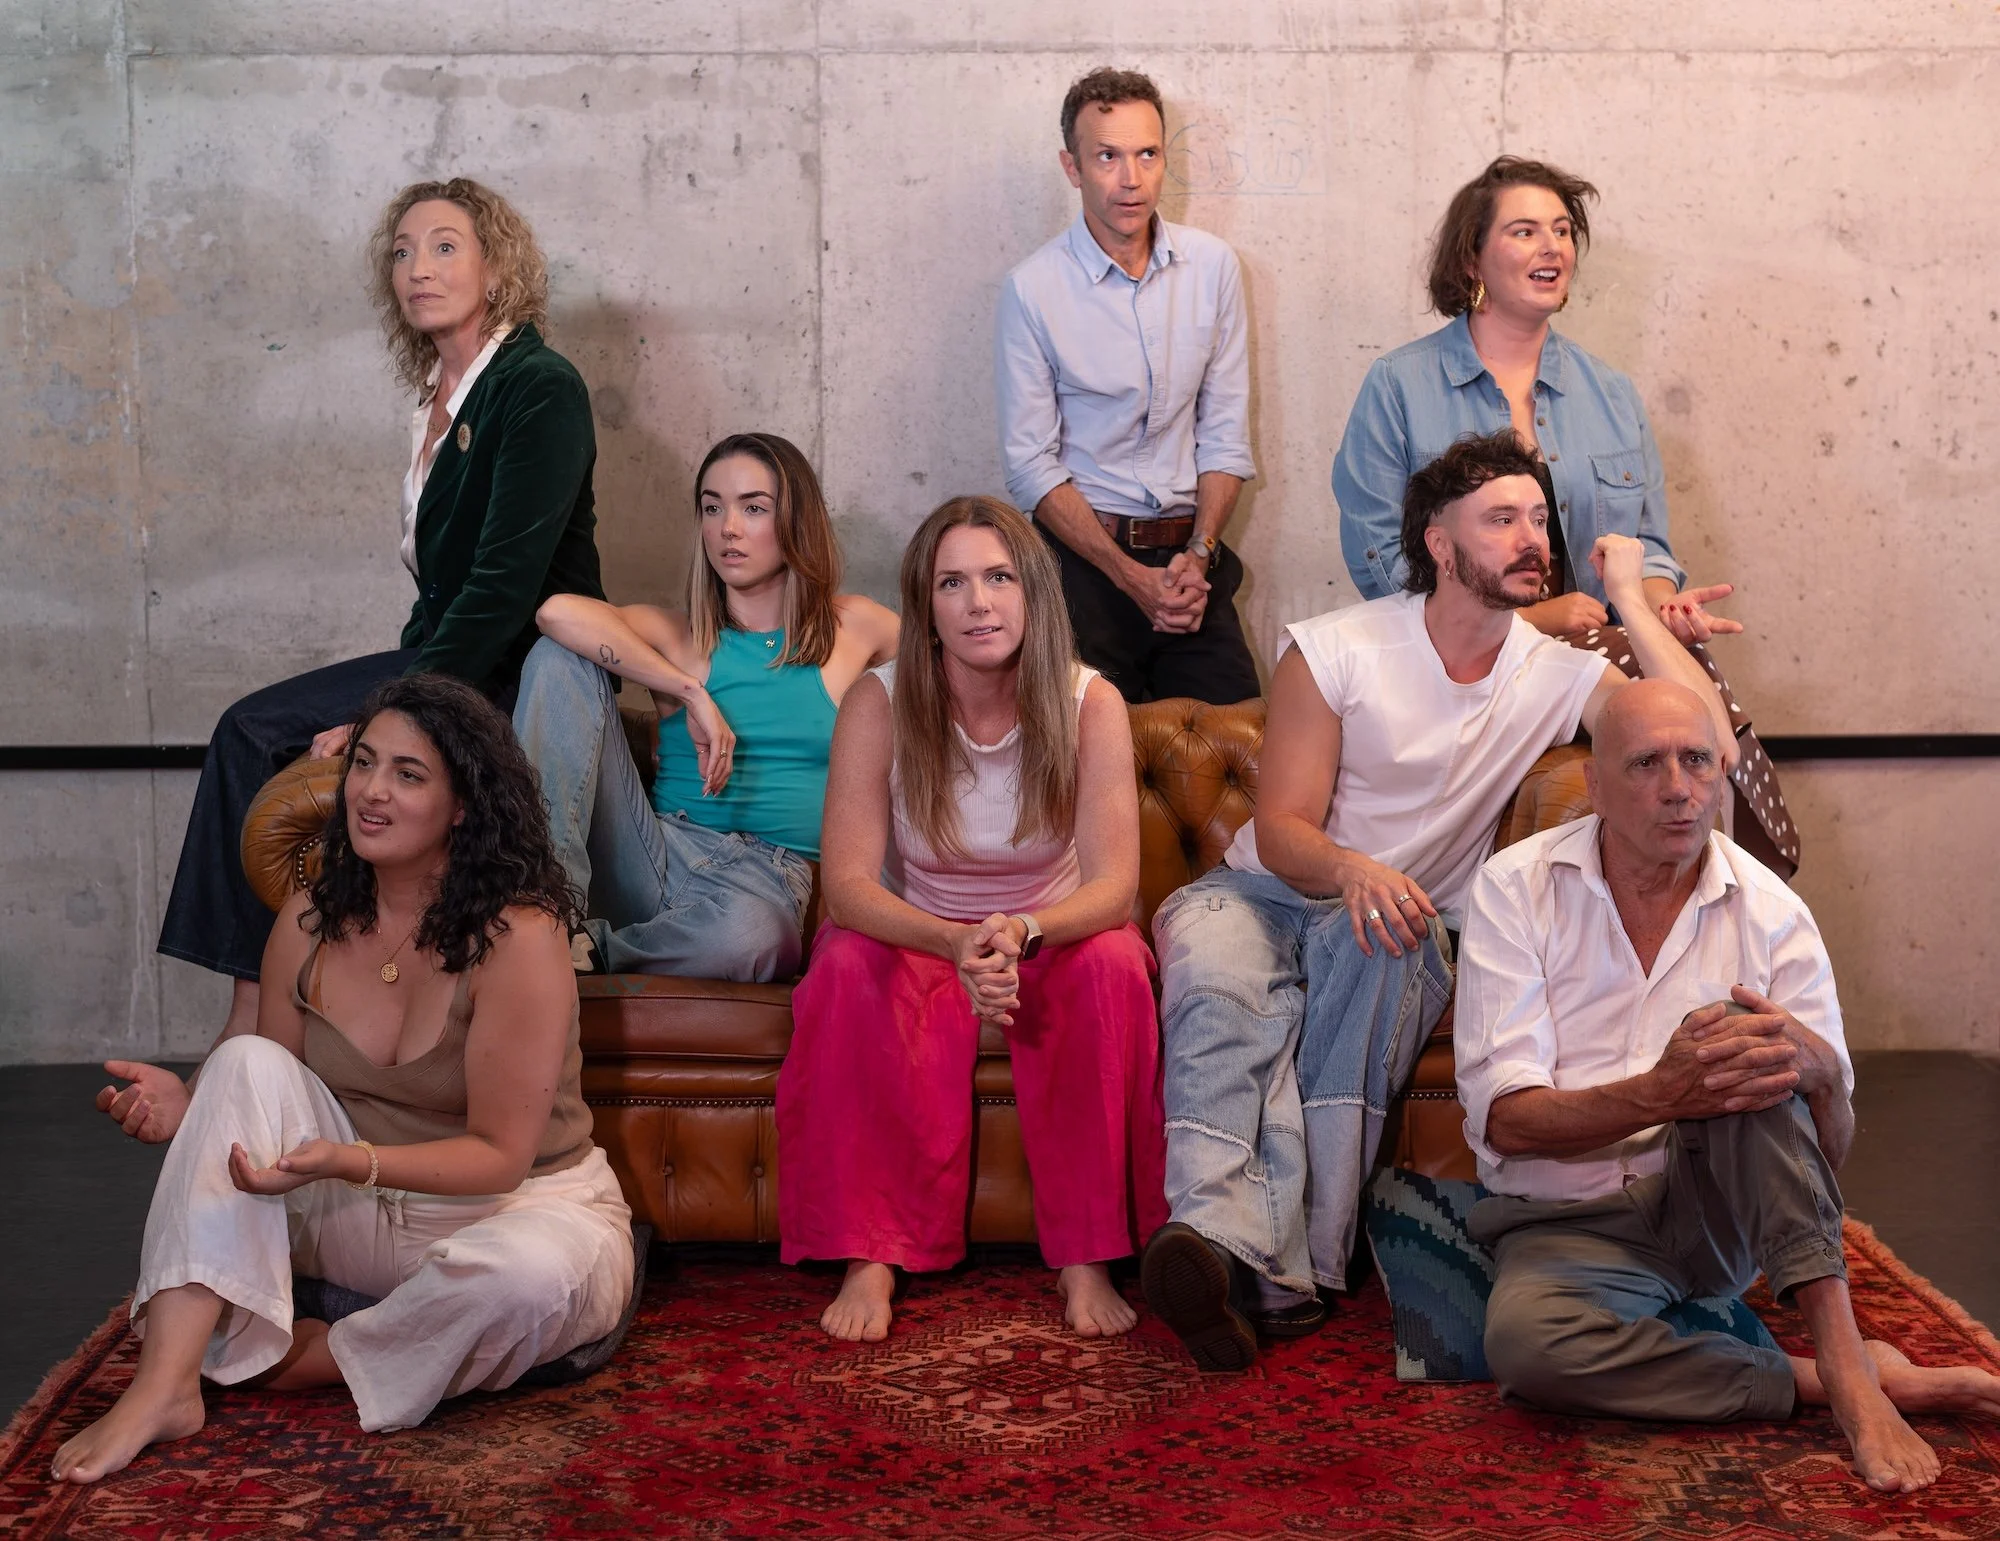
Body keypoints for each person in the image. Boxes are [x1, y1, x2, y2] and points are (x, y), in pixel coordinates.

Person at [1140, 431, 1739, 1373]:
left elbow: (1710, 745)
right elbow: (1286, 827)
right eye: (1500, 519)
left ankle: (1261, 1258)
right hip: (1261, 893)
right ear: (1437, 542)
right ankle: (1245, 1254)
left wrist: (1629, 595)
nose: (1529, 538)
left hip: (1395, 924)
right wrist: (1354, 870)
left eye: (1538, 519)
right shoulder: (1339, 647)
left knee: (1392, 942)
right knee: (1221, 990)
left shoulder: (1559, 671)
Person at [60, 676, 634, 1484]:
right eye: (363, 762)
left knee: (531, 1282)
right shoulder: (307, 918)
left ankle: (320, 1354)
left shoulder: (519, 935)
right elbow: (262, 1081)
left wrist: (347, 1160)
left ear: (462, 804)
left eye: (407, 774)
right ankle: (165, 1386)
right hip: (352, 1208)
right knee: (241, 1062)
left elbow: (501, 1156)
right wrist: (193, 1110)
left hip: (508, 1208)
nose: (370, 790)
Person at [1454, 678, 2000, 1494]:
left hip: (1715, 1218)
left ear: (1720, 773)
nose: (1678, 786)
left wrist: (1818, 1075)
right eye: (1646, 763)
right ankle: (1827, 1376)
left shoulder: (1773, 911)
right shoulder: (1514, 889)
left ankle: (1851, 1377)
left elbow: (1828, 1153)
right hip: (1565, 1221)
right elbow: (1508, 1123)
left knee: (1747, 1049)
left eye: (1698, 761)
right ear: (1595, 786)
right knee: (1528, 1347)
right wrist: (1664, 1091)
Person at [157, 177, 605, 1049]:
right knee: (251, 731)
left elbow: (502, 590)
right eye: (402, 252)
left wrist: (384, 713)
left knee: (255, 734)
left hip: (522, 666)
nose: (417, 269)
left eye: (444, 247)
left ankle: (255, 1021)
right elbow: (432, 602)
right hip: (449, 657)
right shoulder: (435, 404)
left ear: (496, 264)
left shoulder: (538, 386)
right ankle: (268, 1009)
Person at [1331, 156, 1797, 877]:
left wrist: (1661, 607)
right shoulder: (1399, 385)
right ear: (1472, 256)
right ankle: (1735, 880)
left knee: (1684, 718)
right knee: (1682, 723)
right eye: (1525, 231)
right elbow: (1382, 570)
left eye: (1561, 230)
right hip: (1458, 665)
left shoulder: (1609, 391)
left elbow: (1650, 551)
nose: (1552, 247)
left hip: (1596, 650)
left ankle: (1711, 920)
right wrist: (1529, 625)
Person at [777, 496, 1168, 1343]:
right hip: (924, 933)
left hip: (1053, 933)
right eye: (952, 583)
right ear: (925, 606)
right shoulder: (879, 702)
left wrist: (1022, 932)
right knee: (844, 964)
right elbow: (845, 887)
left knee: (1112, 963)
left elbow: (1114, 886)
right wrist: (954, 942)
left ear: (1032, 592)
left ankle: (1086, 1254)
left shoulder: (1088, 701)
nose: (978, 602)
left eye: (997, 578)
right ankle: (870, 1252)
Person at [511, 432, 898, 980]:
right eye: (712, 507)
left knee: (753, 938)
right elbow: (555, 613)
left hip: (765, 881)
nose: (728, 529)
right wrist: (691, 691)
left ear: (796, 520)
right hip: (654, 855)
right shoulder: (678, 635)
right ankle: (542, 912)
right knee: (559, 657)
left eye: (753, 508)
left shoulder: (855, 628)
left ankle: (593, 951)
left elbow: (953, 665)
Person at [995, 67, 1260, 706]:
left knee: (1245, 752)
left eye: (1147, 154)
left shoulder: (1214, 268)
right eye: (1107, 157)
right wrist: (1130, 579)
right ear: (1072, 166)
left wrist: (1197, 556)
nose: (1131, 179)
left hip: (1192, 564)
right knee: (1091, 776)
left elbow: (1224, 436)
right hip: (1082, 570)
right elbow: (1031, 466)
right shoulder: (1033, 289)